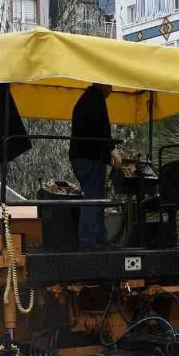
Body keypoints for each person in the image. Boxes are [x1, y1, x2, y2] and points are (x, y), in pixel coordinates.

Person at [70, 84, 121, 250]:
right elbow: (101, 127)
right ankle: (88, 240)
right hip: (88, 157)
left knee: (96, 196)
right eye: (110, 85)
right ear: (103, 84)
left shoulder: (87, 98)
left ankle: (99, 237)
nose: (112, 90)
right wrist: (112, 150)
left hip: (84, 156)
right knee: (93, 198)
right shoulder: (95, 98)